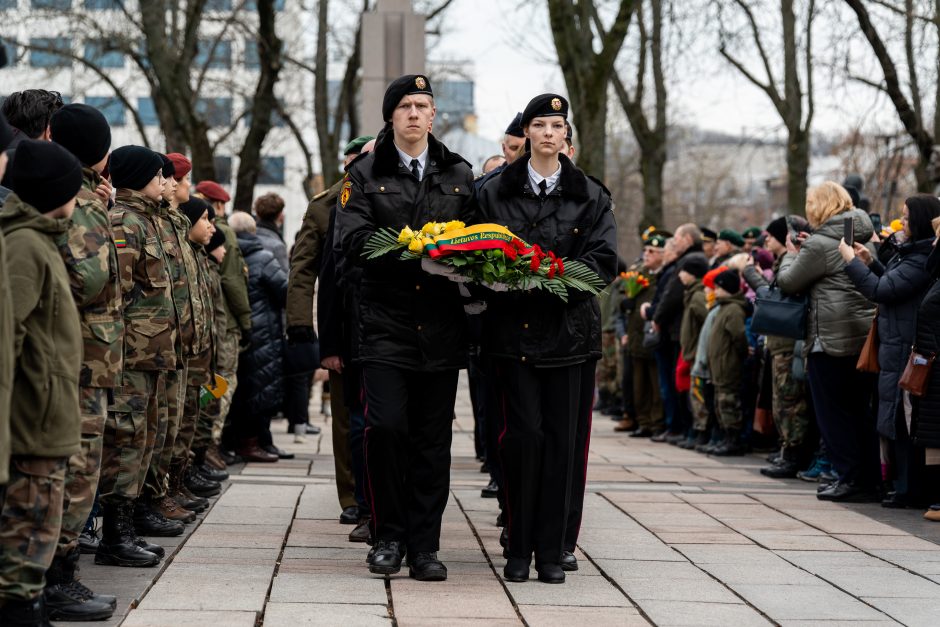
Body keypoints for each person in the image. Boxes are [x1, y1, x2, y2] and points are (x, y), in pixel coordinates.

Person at [334, 74, 476, 581]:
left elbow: (479, 241)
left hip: (440, 328)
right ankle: (387, 536)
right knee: (387, 429)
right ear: (390, 116)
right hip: (385, 325)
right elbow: (350, 243)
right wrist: (417, 254)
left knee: (433, 442)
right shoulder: (365, 174)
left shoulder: (459, 172)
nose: (415, 113)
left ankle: (425, 546)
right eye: (405, 106)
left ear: (434, 115)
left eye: (423, 105)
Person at [477, 93, 617, 584]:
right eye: (540, 124)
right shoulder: (492, 191)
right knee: (522, 440)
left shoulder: (592, 194)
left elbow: (603, 262)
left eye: (557, 125)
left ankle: (555, 549)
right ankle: (518, 545)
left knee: (563, 444)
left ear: (566, 137)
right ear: (527, 133)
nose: (549, 133)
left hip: (570, 337)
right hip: (511, 335)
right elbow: (471, 250)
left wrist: (550, 278)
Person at [0, 140, 85, 624]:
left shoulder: (41, 238)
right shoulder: (25, 246)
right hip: (31, 419)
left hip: (47, 417)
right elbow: (9, 332)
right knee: (27, 532)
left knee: (39, 528)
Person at [46, 103, 121, 620]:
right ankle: (56, 577)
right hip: (81, 359)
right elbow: (90, 280)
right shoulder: (78, 200)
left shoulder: (74, 194)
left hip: (84, 356)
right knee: (76, 468)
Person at [96, 145, 176, 568]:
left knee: (142, 439)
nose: (162, 179)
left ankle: (127, 525)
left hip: (151, 354)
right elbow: (119, 292)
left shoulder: (147, 219)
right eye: (155, 173)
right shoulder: (125, 221)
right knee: (125, 440)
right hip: (131, 353)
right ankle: (115, 534)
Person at [776, 181, 880, 502]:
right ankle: (868, 478)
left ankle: (849, 479)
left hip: (830, 340)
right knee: (862, 413)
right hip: (862, 338)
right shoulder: (860, 234)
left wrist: (791, 255)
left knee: (834, 415)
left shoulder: (819, 244)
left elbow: (788, 283)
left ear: (819, 206)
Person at [288, 135, 372, 523]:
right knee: (346, 417)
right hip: (342, 323)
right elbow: (303, 269)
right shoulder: (324, 206)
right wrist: (302, 325)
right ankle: (353, 495)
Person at [840, 195, 940, 507]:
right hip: (895, 345)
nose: (903, 221)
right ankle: (901, 485)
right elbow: (892, 282)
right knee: (894, 418)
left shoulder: (921, 258)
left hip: (905, 348)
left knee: (903, 420)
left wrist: (851, 263)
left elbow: (881, 290)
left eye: (908, 217)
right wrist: (873, 263)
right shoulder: (910, 254)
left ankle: (909, 489)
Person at [316, 138, 377, 541]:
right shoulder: (335, 204)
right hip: (353, 334)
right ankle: (362, 502)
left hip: (399, 334)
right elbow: (326, 277)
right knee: (357, 425)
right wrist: (328, 345)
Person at [738, 216, 811, 478]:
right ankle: (785, 449)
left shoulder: (792, 261)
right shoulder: (784, 261)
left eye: (770, 235)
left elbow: (776, 294)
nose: (765, 240)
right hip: (778, 342)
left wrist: (750, 275)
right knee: (780, 401)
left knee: (790, 401)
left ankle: (793, 454)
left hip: (788, 343)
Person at [195, 180, 251, 463]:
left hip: (218, 321)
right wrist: (246, 320)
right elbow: (233, 280)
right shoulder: (224, 233)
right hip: (224, 323)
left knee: (217, 382)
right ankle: (209, 441)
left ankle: (208, 441)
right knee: (222, 382)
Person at [228, 212, 289, 461]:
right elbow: (284, 290)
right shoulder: (264, 258)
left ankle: (252, 441)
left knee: (243, 388)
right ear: (253, 231)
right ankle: (253, 443)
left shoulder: (230, 254)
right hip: (264, 330)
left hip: (238, 329)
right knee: (262, 388)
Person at [621, 234, 666, 437]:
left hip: (654, 337)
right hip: (637, 335)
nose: (646, 255)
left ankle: (657, 423)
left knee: (655, 385)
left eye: (652, 252)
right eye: (646, 250)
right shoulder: (638, 274)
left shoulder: (663, 276)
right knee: (638, 385)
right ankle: (643, 422)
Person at [911, 217, 940, 522]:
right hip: (931, 367)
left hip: (935, 364)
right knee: (932, 437)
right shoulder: (936, 276)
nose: (933, 244)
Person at [705, 269, 749, 455]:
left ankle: (733, 439)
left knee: (729, 403)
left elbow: (738, 337)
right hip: (719, 367)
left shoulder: (732, 309)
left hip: (727, 366)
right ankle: (725, 437)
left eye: (718, 286)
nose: (715, 290)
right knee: (721, 404)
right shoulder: (723, 307)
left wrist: (741, 353)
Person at [676, 255, 710, 448]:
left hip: (695, 350)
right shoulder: (691, 292)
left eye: (684, 271)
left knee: (696, 394)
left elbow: (705, 320)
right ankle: (692, 430)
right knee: (687, 391)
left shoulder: (697, 296)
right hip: (689, 349)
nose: (680, 275)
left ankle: (699, 431)